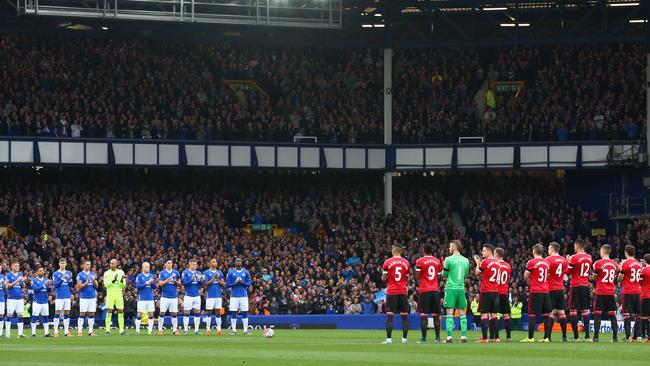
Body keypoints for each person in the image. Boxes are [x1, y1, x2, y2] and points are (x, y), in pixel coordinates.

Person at [521, 243, 552, 343]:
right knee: (546, 315)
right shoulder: (547, 263)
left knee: (532, 314)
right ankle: (546, 337)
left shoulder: (531, 262)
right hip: (545, 291)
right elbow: (547, 275)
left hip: (535, 291)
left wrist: (527, 278)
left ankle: (530, 338)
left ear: (534, 251)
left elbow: (526, 275)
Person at [381, 245, 411, 344]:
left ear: (393, 251)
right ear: (401, 252)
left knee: (390, 316)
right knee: (404, 316)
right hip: (402, 291)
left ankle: (389, 339)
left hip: (392, 291)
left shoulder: (388, 262)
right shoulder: (406, 263)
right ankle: (404, 339)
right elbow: (407, 278)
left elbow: (384, 279)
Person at [441, 240, 470, 343]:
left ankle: (449, 337)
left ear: (454, 247)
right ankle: (463, 336)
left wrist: (444, 267)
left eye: (450, 247)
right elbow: (465, 275)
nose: (449, 249)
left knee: (449, 312)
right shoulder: (466, 260)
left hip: (450, 288)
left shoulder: (448, 259)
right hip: (461, 289)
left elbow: (444, 275)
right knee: (462, 312)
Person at [414, 243, 442, 343]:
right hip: (435, 290)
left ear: (424, 250)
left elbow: (417, 277)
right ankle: (437, 338)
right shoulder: (437, 261)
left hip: (425, 290)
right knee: (436, 315)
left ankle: (424, 338)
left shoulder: (420, 261)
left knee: (424, 315)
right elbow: (439, 277)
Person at [566, 238, 592, 341]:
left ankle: (576, 337)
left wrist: (568, 261)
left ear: (577, 246)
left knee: (573, 311)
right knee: (585, 311)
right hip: (585, 286)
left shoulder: (574, 257)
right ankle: (587, 336)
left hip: (576, 286)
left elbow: (568, 272)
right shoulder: (589, 257)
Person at [474, 244, 500, 343]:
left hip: (486, 291)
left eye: (484, 251)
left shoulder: (485, 262)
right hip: (495, 291)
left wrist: (477, 263)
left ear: (489, 251)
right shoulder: (498, 263)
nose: (482, 252)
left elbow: (477, 273)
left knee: (484, 314)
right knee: (494, 315)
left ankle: (485, 338)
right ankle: (497, 338)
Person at [592, 244, 619, 342]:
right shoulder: (615, 264)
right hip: (610, 292)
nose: (599, 252)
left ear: (603, 252)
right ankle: (615, 337)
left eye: (600, 251)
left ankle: (596, 337)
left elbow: (594, 277)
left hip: (601, 292)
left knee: (597, 314)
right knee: (612, 314)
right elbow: (615, 277)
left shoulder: (598, 263)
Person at [619, 245, 642, 341]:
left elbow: (620, 278)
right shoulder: (638, 263)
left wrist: (619, 275)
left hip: (628, 291)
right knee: (638, 315)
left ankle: (628, 336)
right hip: (637, 291)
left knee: (626, 314)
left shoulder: (625, 263)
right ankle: (636, 336)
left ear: (626, 252)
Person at [546, 242, 569, 341]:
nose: (547, 250)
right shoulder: (564, 260)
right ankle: (564, 337)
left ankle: (548, 337)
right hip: (560, 289)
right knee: (562, 312)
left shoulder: (547, 260)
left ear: (552, 249)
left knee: (550, 313)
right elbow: (566, 273)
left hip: (551, 289)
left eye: (548, 248)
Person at [226, 257, 252, 335]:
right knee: (233, 312)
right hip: (234, 296)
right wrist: (235, 283)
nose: (238, 262)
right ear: (235, 263)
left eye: (239, 261)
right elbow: (227, 285)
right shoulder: (230, 272)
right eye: (237, 261)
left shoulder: (246, 272)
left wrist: (242, 282)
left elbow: (248, 284)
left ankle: (245, 330)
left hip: (243, 295)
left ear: (241, 262)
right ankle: (234, 330)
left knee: (244, 312)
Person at [103, 258, 127, 335]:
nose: (111, 265)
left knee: (121, 311)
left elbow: (124, 285)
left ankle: (121, 330)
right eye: (110, 263)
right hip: (110, 295)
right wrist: (113, 281)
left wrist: (121, 281)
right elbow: (106, 285)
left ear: (116, 264)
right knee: (109, 311)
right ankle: (107, 330)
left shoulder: (121, 272)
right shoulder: (106, 273)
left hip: (119, 295)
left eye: (113, 263)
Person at [157, 259, 181, 336]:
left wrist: (175, 282)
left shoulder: (176, 272)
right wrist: (168, 279)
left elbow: (180, 284)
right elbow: (160, 283)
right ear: (166, 264)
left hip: (174, 296)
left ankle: (175, 330)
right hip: (165, 296)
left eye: (171, 263)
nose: (170, 264)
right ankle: (160, 329)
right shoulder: (162, 273)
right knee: (162, 313)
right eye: (168, 263)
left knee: (174, 313)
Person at [76, 260, 98, 337]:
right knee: (82, 313)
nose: (88, 266)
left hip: (92, 297)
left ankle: (90, 331)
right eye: (87, 264)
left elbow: (96, 286)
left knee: (92, 313)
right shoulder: (80, 275)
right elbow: (79, 286)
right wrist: (87, 282)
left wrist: (94, 280)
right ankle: (79, 331)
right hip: (84, 297)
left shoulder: (93, 274)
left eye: (89, 264)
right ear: (83, 265)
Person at [203, 258, 225, 335]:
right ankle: (208, 328)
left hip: (218, 295)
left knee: (218, 312)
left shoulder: (219, 272)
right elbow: (205, 284)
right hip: (210, 295)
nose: (215, 263)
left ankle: (219, 329)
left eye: (216, 262)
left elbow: (223, 284)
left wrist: (217, 279)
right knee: (209, 311)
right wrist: (213, 278)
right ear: (210, 263)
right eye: (213, 262)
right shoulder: (205, 272)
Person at [52, 258, 73, 337]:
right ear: (59, 264)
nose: (62, 264)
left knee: (67, 313)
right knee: (57, 312)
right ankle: (56, 331)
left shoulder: (69, 273)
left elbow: (71, 284)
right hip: (59, 296)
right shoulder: (55, 273)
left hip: (67, 295)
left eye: (64, 263)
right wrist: (62, 278)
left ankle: (66, 332)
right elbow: (56, 285)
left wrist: (70, 281)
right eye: (61, 263)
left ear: (66, 264)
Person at [495, 247, 512, 341]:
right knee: (506, 315)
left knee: (494, 315)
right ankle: (508, 336)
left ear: (496, 254)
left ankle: (495, 336)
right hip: (504, 292)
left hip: (496, 291)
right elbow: (508, 279)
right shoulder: (508, 266)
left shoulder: (495, 264)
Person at [181, 259, 203, 335]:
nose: (195, 265)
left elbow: (201, 284)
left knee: (197, 312)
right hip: (188, 296)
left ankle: (196, 330)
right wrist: (191, 279)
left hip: (197, 295)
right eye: (193, 264)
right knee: (187, 312)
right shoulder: (185, 272)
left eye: (195, 264)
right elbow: (184, 283)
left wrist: (200, 279)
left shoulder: (198, 272)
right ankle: (186, 330)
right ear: (189, 264)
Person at [5, 261, 26, 338]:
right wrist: (17, 280)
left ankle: (20, 334)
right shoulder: (9, 275)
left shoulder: (20, 274)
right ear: (12, 266)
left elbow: (22, 286)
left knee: (20, 316)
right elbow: (7, 286)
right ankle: (7, 334)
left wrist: (23, 281)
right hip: (11, 299)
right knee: (9, 316)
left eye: (18, 266)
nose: (17, 267)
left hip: (19, 298)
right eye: (15, 266)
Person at [135, 262, 156, 335]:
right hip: (142, 298)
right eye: (146, 267)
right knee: (139, 313)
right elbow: (137, 286)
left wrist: (152, 283)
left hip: (150, 297)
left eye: (149, 266)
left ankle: (150, 331)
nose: (148, 268)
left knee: (151, 314)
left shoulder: (151, 275)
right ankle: (137, 330)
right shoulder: (140, 276)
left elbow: (154, 286)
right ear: (143, 268)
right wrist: (145, 283)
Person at [30, 267, 51, 337]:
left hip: (45, 301)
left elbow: (48, 289)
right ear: (36, 272)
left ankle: (46, 333)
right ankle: (33, 333)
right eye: (40, 271)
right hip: (37, 301)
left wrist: (49, 285)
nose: (42, 272)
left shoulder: (46, 279)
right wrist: (44, 285)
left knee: (45, 317)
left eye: (43, 271)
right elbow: (35, 289)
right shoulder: (34, 280)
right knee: (35, 317)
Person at [640, 253, 650, 342]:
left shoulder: (644, 270)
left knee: (644, 316)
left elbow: (639, 281)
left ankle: (644, 335)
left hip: (646, 295)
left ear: (645, 261)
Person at [0, 263, 5, 337]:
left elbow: (5, 288)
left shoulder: (3, 276)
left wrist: (6, 285)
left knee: (1, 315)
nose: (0, 270)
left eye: (1, 268)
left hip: (1, 298)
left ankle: (0, 332)